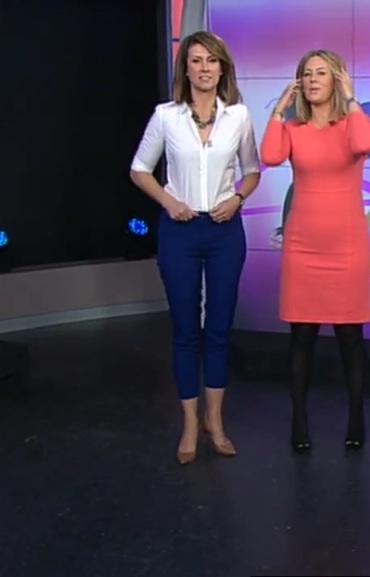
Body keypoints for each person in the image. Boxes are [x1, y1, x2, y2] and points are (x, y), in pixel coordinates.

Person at [129, 31, 261, 465]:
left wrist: (237, 198)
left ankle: (215, 421)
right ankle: (189, 423)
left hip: (224, 232)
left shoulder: (238, 116)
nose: (205, 68)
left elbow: (252, 170)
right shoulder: (166, 117)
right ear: (185, 68)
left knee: (219, 327)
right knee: (186, 329)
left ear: (223, 69)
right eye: (197, 60)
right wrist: (169, 201)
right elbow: (139, 169)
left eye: (212, 61)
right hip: (179, 232)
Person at [260, 49, 370, 453]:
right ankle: (299, 421)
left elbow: (366, 142)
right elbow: (270, 155)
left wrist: (352, 97)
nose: (312, 80)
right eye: (306, 73)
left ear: (336, 80)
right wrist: (278, 111)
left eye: (321, 73)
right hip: (303, 247)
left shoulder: (352, 125)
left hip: (347, 247)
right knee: (302, 337)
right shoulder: (293, 129)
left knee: (350, 337)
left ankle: (356, 417)